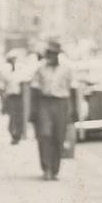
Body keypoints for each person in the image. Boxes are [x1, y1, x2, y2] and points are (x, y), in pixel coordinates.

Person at [30, 39, 78, 180]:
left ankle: (55, 169)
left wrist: (74, 110)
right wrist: (33, 110)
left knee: (58, 136)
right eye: (48, 53)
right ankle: (46, 168)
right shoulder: (40, 69)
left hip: (61, 104)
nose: (50, 56)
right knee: (44, 135)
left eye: (53, 53)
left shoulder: (67, 69)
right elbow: (34, 89)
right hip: (44, 103)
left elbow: (73, 90)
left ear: (58, 54)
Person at [0, 52, 24, 144]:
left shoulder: (20, 70)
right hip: (10, 97)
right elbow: (2, 85)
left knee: (18, 116)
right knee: (12, 117)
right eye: (11, 60)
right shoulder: (5, 71)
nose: (13, 62)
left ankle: (17, 134)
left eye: (14, 59)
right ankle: (13, 134)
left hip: (19, 97)